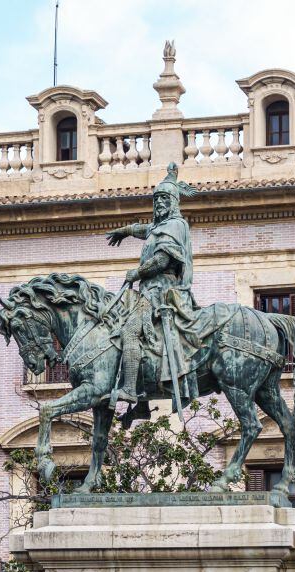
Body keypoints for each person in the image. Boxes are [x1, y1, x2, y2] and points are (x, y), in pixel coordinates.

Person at [105, 162, 200, 403]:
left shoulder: (175, 225)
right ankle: (142, 401)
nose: (159, 203)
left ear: (174, 202)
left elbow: (161, 260)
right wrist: (125, 230)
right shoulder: (160, 226)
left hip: (160, 291)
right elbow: (144, 229)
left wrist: (136, 273)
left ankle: (129, 389)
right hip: (150, 290)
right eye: (156, 199)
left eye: (164, 199)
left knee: (129, 331)